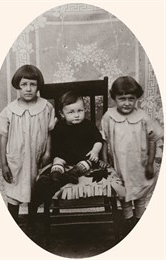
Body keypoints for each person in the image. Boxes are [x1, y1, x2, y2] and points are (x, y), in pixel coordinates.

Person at [29, 90, 108, 237]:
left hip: (84, 158)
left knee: (87, 163)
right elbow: (52, 146)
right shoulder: (59, 127)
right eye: (71, 112)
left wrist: (95, 152)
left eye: (80, 110)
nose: (77, 114)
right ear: (62, 113)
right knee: (58, 161)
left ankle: (65, 176)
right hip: (64, 158)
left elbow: (98, 140)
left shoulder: (88, 125)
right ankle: (57, 174)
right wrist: (53, 159)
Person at [0, 64, 55, 224]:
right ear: (18, 86)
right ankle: (12, 225)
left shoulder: (46, 107)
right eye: (24, 84)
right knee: (14, 192)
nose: (28, 89)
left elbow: (49, 132)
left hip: (37, 157)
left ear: (38, 86)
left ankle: (32, 225)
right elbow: (2, 137)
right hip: (16, 160)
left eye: (32, 84)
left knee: (35, 190)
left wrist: (47, 152)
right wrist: (4, 164)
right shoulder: (10, 110)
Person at [101, 76, 163, 235]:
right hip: (120, 164)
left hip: (140, 164)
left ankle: (140, 220)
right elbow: (105, 139)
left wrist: (149, 163)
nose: (127, 103)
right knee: (124, 193)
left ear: (137, 99)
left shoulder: (143, 117)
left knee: (140, 192)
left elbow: (152, 140)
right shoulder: (109, 116)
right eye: (122, 99)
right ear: (113, 97)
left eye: (131, 99)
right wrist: (105, 160)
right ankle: (128, 220)